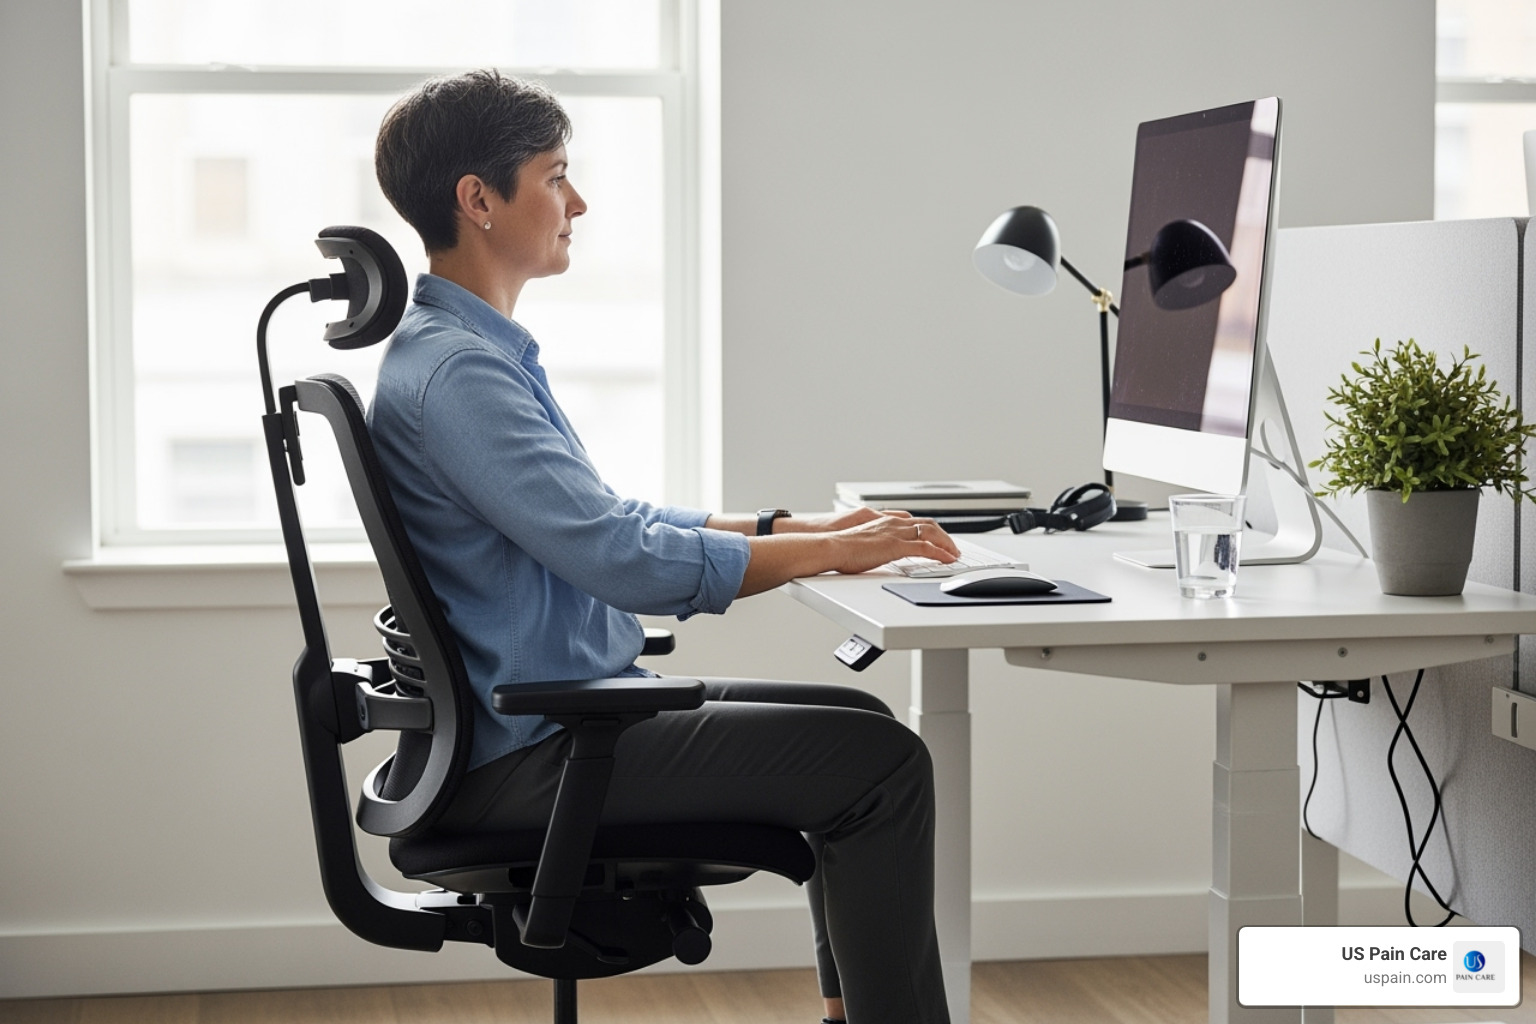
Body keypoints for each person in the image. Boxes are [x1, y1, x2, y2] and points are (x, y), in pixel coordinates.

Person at [369, 69, 957, 1024]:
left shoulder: (457, 353)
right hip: (534, 754)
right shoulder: (460, 377)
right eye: (556, 177)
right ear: (478, 200)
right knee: (881, 768)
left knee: (861, 726)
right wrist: (823, 557)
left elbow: (606, 516)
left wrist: (791, 529)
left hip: (542, 726)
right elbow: (621, 560)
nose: (578, 202)